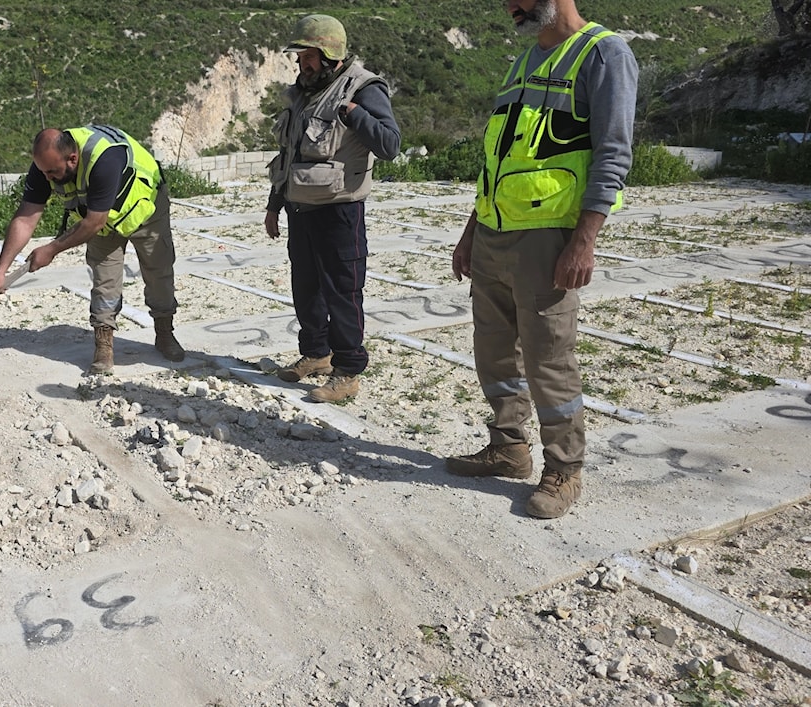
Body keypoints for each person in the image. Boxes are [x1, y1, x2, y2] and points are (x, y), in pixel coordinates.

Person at [446, 0, 638, 519]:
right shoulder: (524, 61)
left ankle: (565, 468)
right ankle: (508, 447)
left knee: (548, 357)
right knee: (493, 351)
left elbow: (614, 152)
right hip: (493, 232)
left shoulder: (604, 54)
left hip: (548, 237)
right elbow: (499, 157)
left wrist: (584, 240)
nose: (510, 7)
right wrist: (471, 230)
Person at [265, 13, 401, 403]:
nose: (301, 64)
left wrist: (356, 115)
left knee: (342, 291)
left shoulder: (363, 87)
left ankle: (349, 370)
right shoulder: (304, 91)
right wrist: (275, 204)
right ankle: (316, 354)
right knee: (306, 286)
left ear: (329, 54)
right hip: (300, 208)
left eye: (308, 57)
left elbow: (390, 144)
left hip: (341, 210)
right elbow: (289, 152)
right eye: (300, 57)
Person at [0, 125, 184, 374]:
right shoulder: (46, 165)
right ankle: (104, 344)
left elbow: (94, 221)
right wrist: (0, 271)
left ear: (72, 159)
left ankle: (164, 332)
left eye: (52, 172)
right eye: (43, 172)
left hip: (145, 209)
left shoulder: (105, 158)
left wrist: (52, 249)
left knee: (158, 272)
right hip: (101, 221)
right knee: (104, 280)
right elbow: (26, 218)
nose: (47, 178)